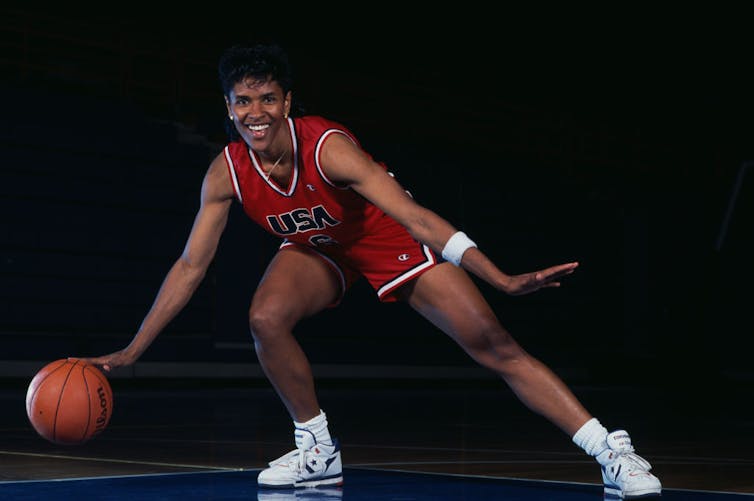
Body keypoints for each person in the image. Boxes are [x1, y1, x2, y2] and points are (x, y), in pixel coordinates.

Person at [82, 43, 662, 499]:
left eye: (266, 100)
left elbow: (417, 216)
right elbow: (190, 266)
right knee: (265, 317)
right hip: (321, 248)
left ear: (287, 103)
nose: (254, 113)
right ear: (228, 109)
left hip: (383, 237)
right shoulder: (225, 174)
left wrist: (500, 277)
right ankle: (316, 445)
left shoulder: (329, 148)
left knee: (494, 346)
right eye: (242, 102)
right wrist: (134, 351)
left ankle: (609, 452)